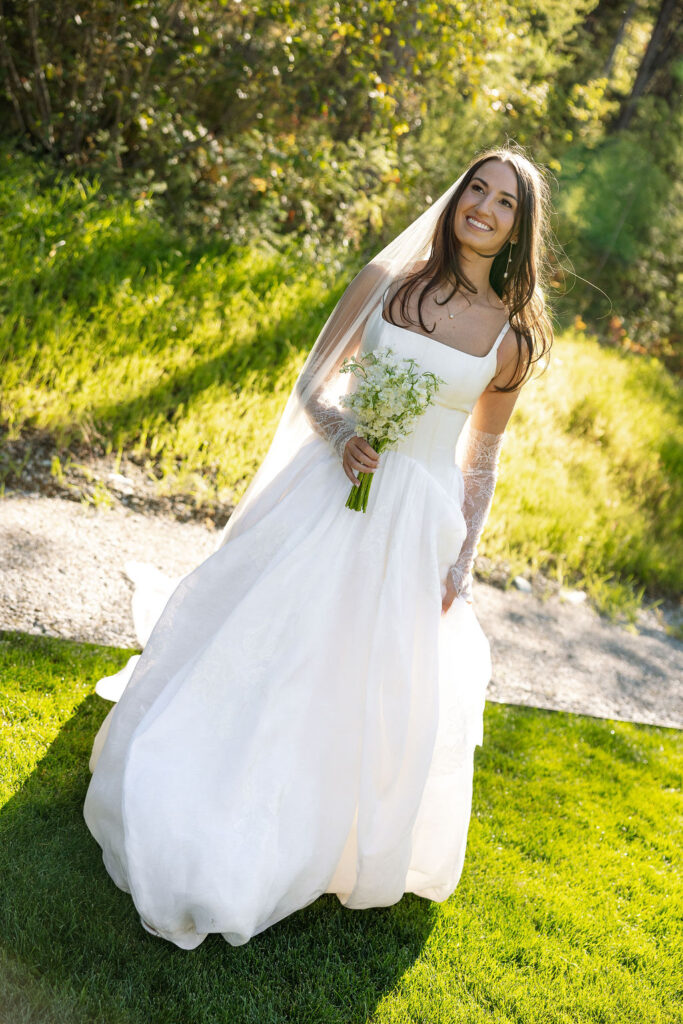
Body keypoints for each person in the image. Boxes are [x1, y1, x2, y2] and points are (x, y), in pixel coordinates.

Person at [83, 144, 554, 949]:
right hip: (329, 487)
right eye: (475, 189)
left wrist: (462, 563)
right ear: (455, 199)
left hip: (412, 525)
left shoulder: (508, 340)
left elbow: (482, 457)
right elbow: (313, 380)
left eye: (503, 201)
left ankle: (316, 823)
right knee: (271, 642)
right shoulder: (385, 284)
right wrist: (341, 430)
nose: (482, 206)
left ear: (518, 228)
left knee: (352, 676)